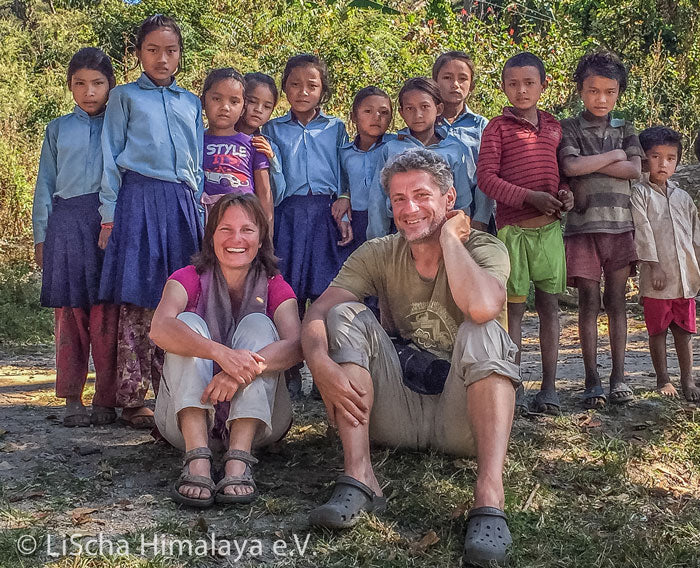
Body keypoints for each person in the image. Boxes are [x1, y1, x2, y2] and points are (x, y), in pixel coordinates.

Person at [302, 149, 520, 567]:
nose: (410, 209)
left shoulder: (486, 247)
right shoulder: (379, 252)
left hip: (465, 419)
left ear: (449, 198)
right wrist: (321, 365)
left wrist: (451, 241)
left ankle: (489, 498)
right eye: (398, 199)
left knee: (484, 329)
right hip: (398, 408)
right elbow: (317, 312)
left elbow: (481, 307)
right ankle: (360, 475)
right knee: (346, 314)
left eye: (421, 195)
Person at [150, 193, 302, 508]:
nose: (236, 239)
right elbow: (160, 328)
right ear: (211, 237)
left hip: (262, 422)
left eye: (247, 230)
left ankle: (239, 458)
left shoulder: (276, 286)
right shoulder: (186, 279)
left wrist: (239, 374)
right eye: (225, 229)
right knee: (187, 323)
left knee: (259, 325)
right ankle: (197, 459)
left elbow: (297, 345)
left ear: (261, 239)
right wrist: (220, 354)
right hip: (184, 419)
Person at [99, 15, 204, 428]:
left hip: (180, 206)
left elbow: (194, 164)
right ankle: (133, 395)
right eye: (153, 50)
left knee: (178, 298)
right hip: (138, 201)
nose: (163, 58)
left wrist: (196, 210)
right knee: (139, 298)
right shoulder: (124, 98)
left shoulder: (191, 102)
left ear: (180, 54)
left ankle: (175, 393)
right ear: (139, 52)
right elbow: (110, 159)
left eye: (171, 50)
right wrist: (109, 217)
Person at [478, 52, 574, 414]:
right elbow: (486, 178)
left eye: (529, 83)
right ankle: (512, 387)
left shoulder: (553, 126)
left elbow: (562, 173)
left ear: (543, 85)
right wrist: (527, 197)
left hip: (549, 231)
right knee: (513, 311)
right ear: (503, 87)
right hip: (513, 233)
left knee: (550, 307)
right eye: (513, 84)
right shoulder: (497, 128)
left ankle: (549, 388)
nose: (521, 91)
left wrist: (565, 193)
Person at [32, 47, 119, 428]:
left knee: (106, 313)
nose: (89, 92)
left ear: (110, 86)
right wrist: (41, 235)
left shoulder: (120, 126)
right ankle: (72, 397)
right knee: (70, 314)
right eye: (80, 84)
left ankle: (107, 399)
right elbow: (45, 184)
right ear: (70, 87)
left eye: (97, 83)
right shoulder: (57, 129)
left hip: (106, 223)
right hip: (66, 223)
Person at [558, 51, 644, 408]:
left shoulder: (626, 128)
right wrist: (613, 157)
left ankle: (619, 376)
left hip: (620, 228)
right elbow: (571, 166)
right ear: (581, 90)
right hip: (582, 229)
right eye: (594, 90)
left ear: (619, 93)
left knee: (617, 302)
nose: (602, 98)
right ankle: (591, 377)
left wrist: (596, 164)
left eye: (610, 91)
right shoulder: (569, 127)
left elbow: (635, 170)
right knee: (589, 303)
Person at [261, 54, 348, 312]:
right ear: (285, 87)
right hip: (288, 213)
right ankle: (290, 344)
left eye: (312, 85)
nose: (303, 92)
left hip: (327, 213)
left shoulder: (335, 127)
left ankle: (321, 344)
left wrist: (346, 198)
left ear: (323, 90)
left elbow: (344, 169)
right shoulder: (272, 129)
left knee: (325, 283)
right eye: (295, 85)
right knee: (288, 283)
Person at [630, 127, 700, 402]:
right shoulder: (640, 194)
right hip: (657, 279)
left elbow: (695, 236)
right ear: (644, 160)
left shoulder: (683, 197)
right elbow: (642, 231)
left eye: (671, 158)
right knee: (657, 331)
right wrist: (653, 265)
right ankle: (663, 379)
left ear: (677, 162)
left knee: (685, 333)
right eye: (656, 157)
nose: (663, 163)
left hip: (685, 279)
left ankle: (688, 380)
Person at [366, 77, 473, 240]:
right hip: (401, 230)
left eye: (424, 106)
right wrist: (376, 240)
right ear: (401, 113)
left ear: (438, 108)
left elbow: (463, 199)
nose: (418, 114)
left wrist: (459, 235)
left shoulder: (453, 149)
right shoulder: (392, 149)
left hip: (443, 234)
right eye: (410, 109)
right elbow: (378, 200)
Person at [200, 68, 273, 223]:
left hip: (245, 218)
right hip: (206, 220)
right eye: (217, 99)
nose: (225, 107)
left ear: (242, 108)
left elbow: (265, 195)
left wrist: (268, 239)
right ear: (203, 101)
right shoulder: (195, 142)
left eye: (234, 102)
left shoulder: (254, 144)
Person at [433, 51, 493, 232]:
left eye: (463, 78)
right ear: (435, 82)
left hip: (474, 210)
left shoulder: (481, 125)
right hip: (433, 207)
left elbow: (487, 172)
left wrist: (481, 218)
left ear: (471, 85)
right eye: (447, 77)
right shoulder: (424, 124)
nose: (455, 84)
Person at [333, 86, 396, 259]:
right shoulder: (345, 152)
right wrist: (345, 199)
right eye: (368, 111)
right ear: (354, 116)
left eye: (384, 112)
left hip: (389, 219)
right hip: (357, 220)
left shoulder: (395, 145)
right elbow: (342, 186)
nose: (377, 118)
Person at [235, 72, 286, 209]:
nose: (258, 110)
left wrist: (272, 159)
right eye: (252, 101)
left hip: (252, 216)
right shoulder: (215, 137)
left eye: (267, 106)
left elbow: (277, 195)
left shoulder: (268, 147)